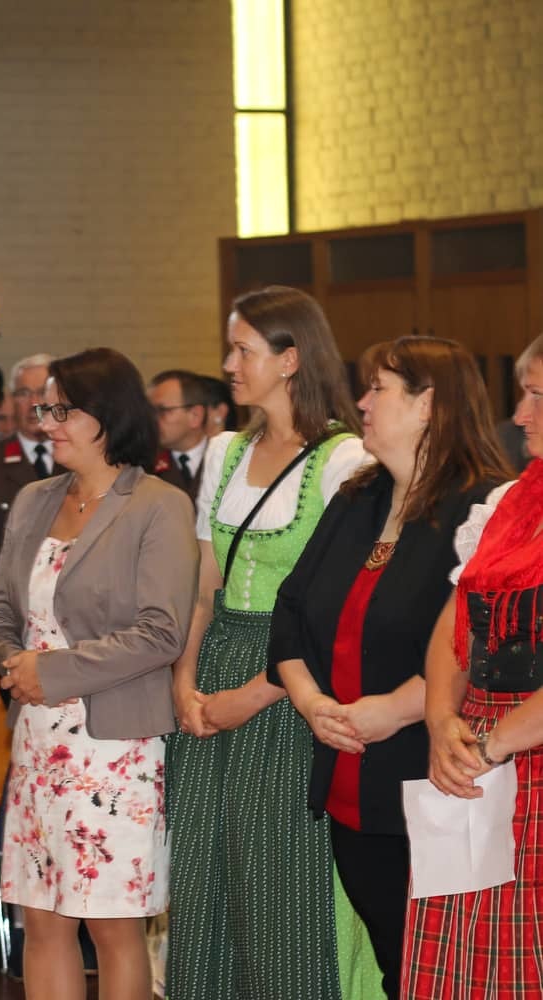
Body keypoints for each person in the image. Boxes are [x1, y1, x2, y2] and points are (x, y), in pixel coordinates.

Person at [265, 337, 509, 998]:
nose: (363, 403)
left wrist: (397, 710)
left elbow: (490, 643)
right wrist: (312, 703)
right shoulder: (358, 498)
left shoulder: (484, 507)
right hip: (350, 779)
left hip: (435, 778)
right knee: (394, 964)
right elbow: (290, 612)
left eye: (379, 389)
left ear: (428, 404)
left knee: (444, 972)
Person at [167, 285, 372, 1000]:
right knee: (205, 873)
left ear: (290, 360)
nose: (229, 364)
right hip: (215, 663)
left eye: (242, 350)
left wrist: (252, 697)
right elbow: (205, 582)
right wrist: (185, 680)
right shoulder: (224, 451)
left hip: (290, 683)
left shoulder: (345, 460)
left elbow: (336, 611)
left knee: (279, 878)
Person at [0, 348, 196, 1000]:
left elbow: (161, 633)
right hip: (38, 740)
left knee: (111, 927)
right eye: (43, 409)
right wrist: (16, 665)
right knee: (43, 921)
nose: (46, 423)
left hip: (115, 746)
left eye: (62, 410)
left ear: (109, 415)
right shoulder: (34, 499)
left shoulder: (158, 505)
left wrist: (52, 671)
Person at [407, 332, 543, 998]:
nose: (519, 414)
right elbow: (452, 626)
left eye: (537, 396)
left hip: (518, 744)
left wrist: (489, 747)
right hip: (479, 744)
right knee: (466, 954)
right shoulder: (509, 504)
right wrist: (441, 722)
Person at [0, 353, 58, 548]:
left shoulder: (77, 459)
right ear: (11, 400)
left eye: (42, 392)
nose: (34, 403)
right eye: (23, 393)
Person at [148, 369, 213, 505]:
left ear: (195, 415)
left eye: (162, 410)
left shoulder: (228, 461)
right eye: (149, 411)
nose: (152, 419)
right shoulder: (144, 464)